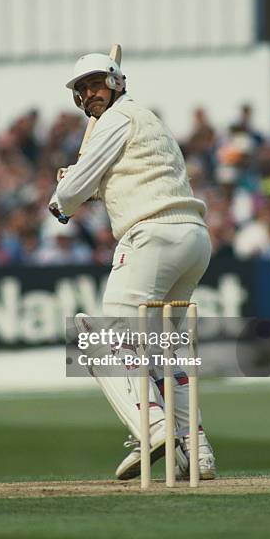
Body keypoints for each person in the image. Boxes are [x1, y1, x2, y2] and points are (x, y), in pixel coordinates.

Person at [49, 53, 215, 481]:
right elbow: (119, 181)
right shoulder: (145, 121)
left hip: (152, 236)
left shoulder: (117, 118)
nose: (89, 94)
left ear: (116, 81)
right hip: (193, 237)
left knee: (99, 338)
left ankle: (153, 428)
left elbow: (70, 195)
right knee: (164, 350)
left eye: (95, 84)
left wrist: (63, 196)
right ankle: (196, 452)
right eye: (82, 90)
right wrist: (82, 184)